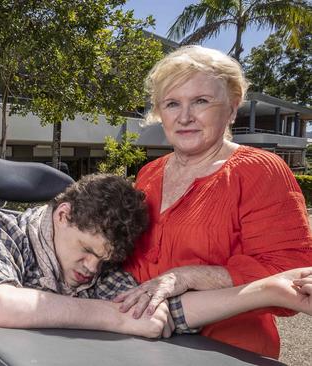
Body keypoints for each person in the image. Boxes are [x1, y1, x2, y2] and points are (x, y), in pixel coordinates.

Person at [113, 45, 312, 358]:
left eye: (201, 101)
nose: (185, 116)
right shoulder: (149, 173)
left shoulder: (259, 170)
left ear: (232, 109)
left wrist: (186, 276)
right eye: (172, 103)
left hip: (226, 351)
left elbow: (292, 272)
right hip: (144, 341)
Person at [0, 173, 312, 340]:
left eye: (103, 260)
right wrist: (116, 318)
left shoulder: (101, 266)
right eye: (87, 250)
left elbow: (158, 311)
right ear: (62, 215)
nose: (91, 269)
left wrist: (267, 290)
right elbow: (1, 305)